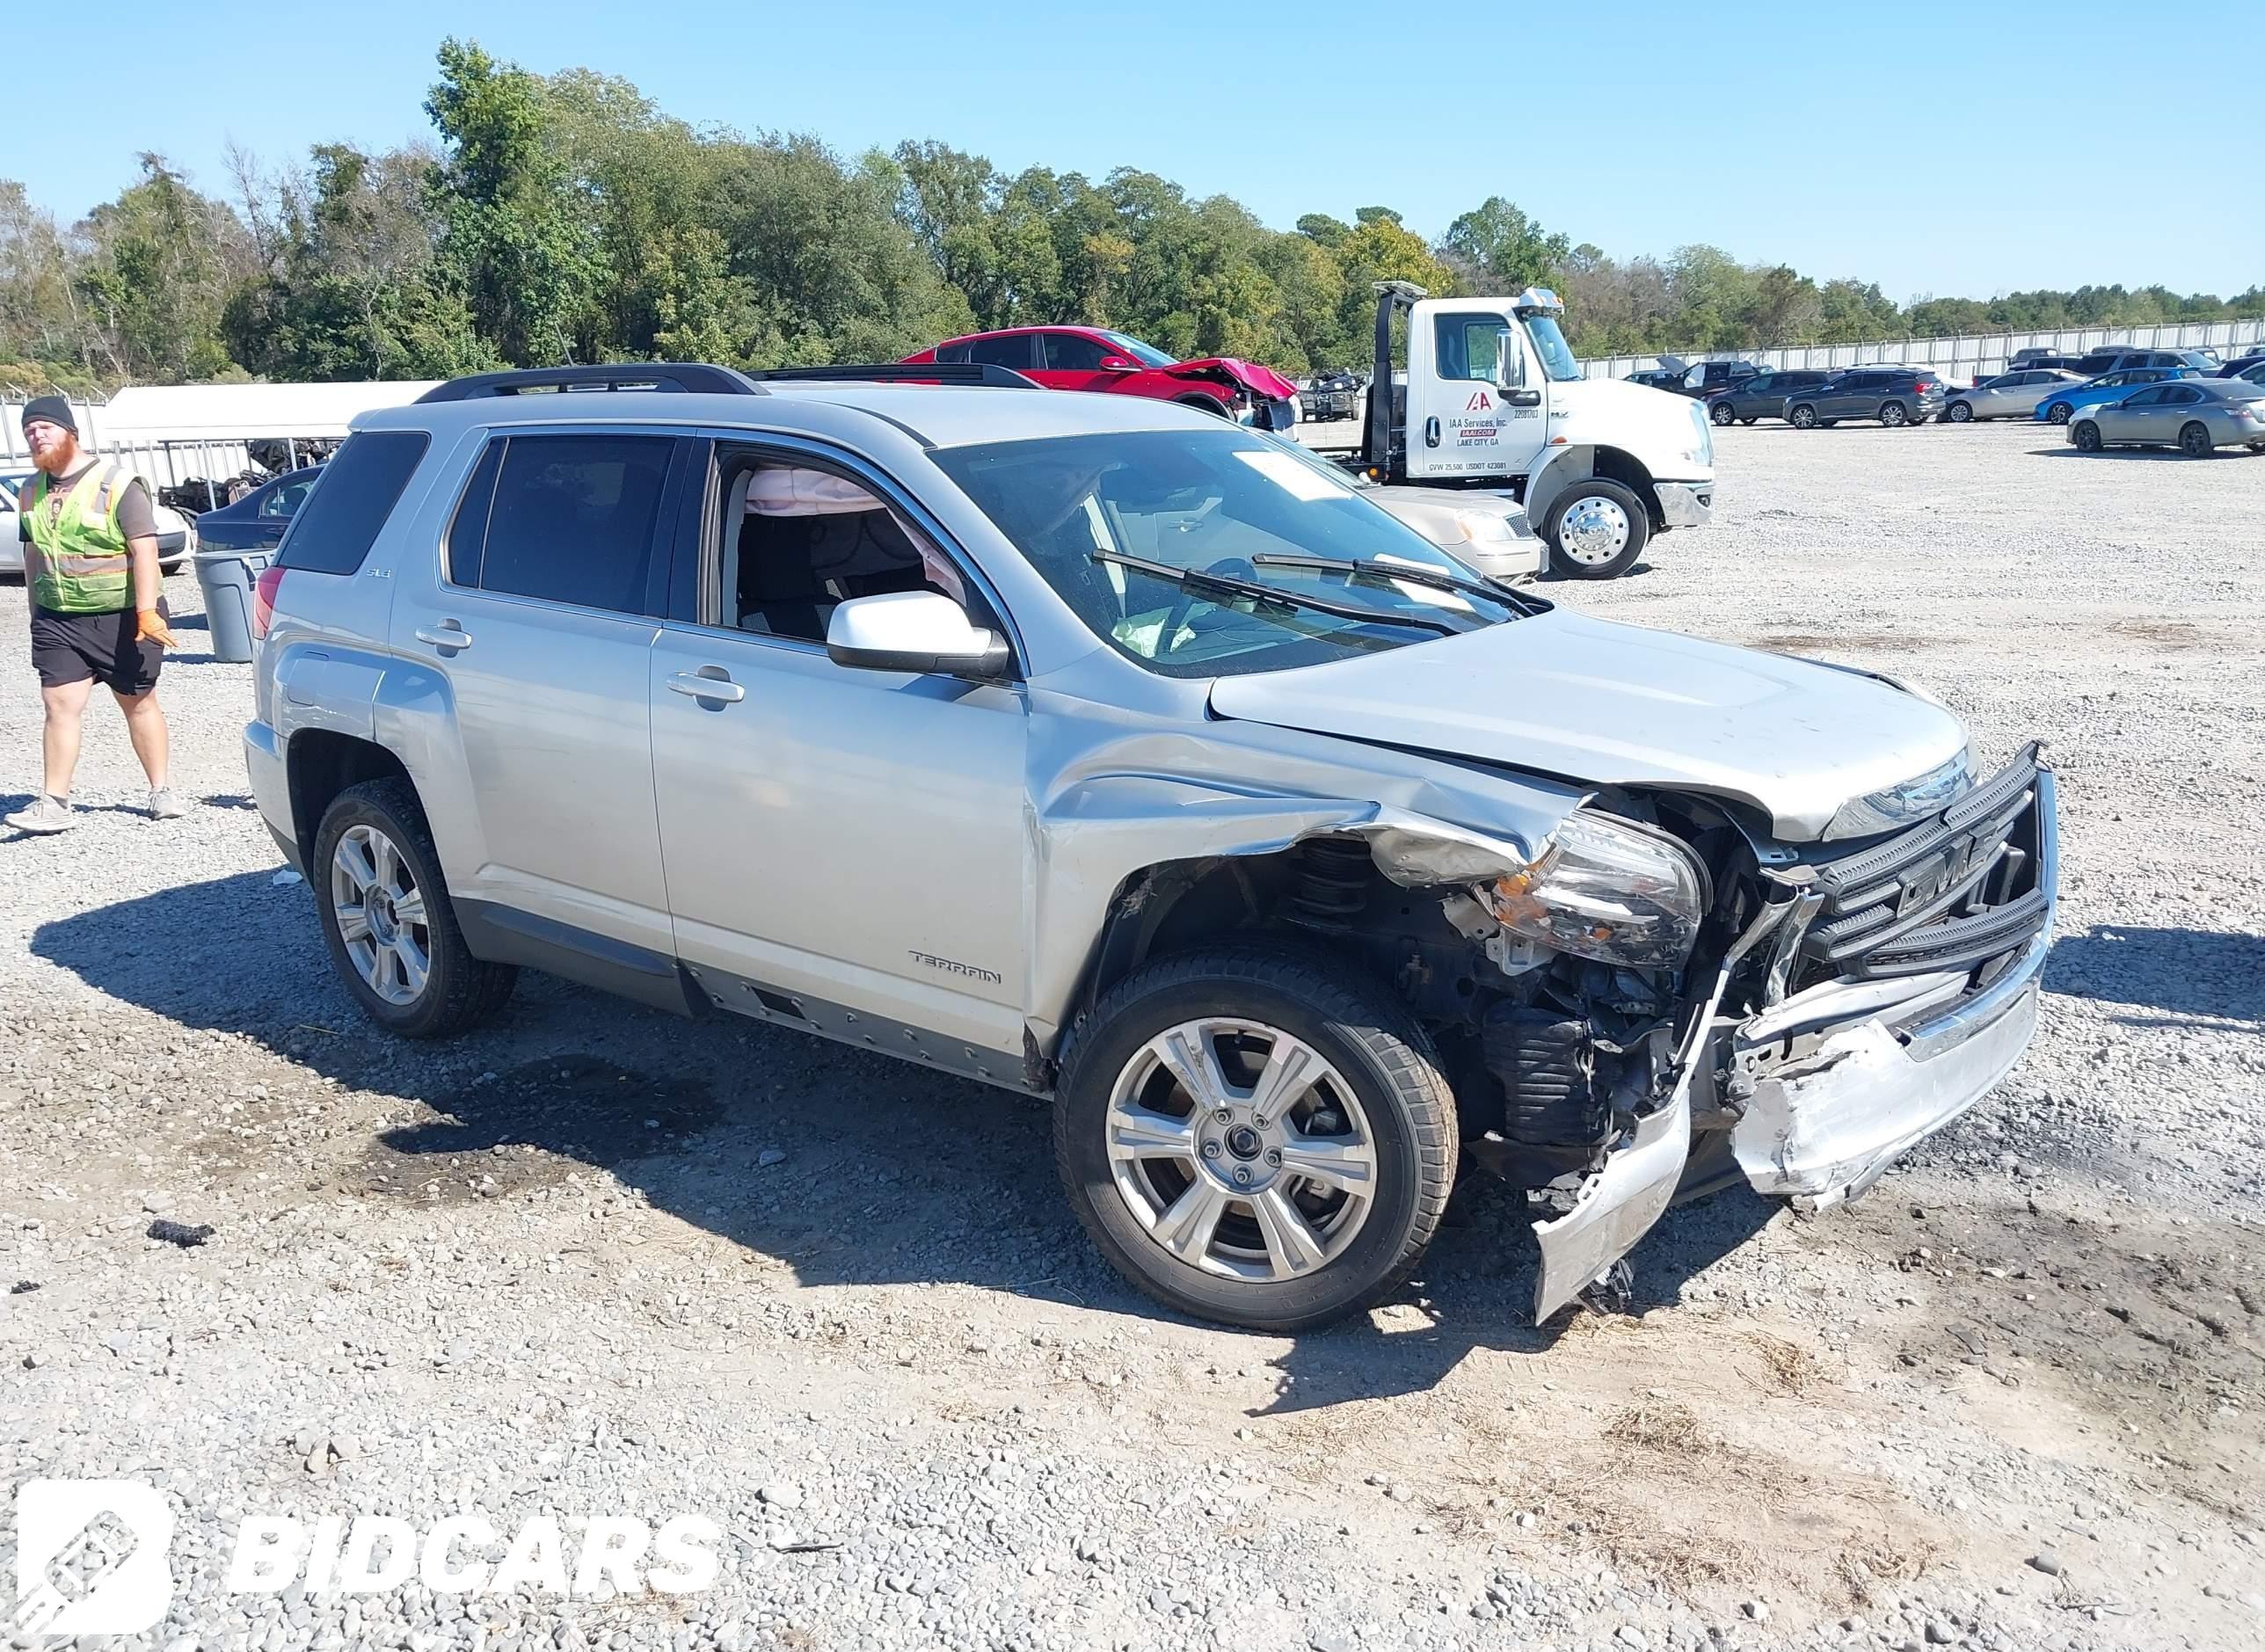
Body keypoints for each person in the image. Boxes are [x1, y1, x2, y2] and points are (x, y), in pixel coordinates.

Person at [7, 397, 186, 833]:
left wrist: (148, 612)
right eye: (30, 430)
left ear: (70, 432)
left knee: (138, 702)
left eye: (45, 427)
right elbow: (33, 554)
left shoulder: (117, 483)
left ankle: (161, 790)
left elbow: (144, 549)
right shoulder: (31, 489)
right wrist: (36, 612)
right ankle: (54, 802)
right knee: (59, 704)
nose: (37, 436)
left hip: (122, 616)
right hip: (59, 618)